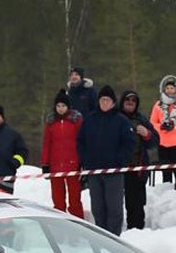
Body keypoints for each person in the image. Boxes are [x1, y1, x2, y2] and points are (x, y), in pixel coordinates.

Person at [77, 86, 136, 235]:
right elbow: (80, 141)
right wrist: (86, 160)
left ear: (113, 102)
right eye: (102, 100)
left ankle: (114, 238)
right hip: (94, 171)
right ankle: (101, 236)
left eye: (107, 100)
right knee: (97, 207)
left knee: (114, 208)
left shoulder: (121, 120)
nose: (104, 103)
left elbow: (129, 143)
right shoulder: (90, 119)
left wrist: (120, 161)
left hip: (114, 172)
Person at [119, 90, 160, 230]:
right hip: (117, 168)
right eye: (127, 100)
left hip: (137, 168)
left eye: (133, 101)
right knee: (114, 203)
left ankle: (137, 231)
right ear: (122, 102)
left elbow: (155, 140)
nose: (130, 103)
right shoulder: (115, 117)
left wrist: (147, 134)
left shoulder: (141, 119)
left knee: (136, 203)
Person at [41, 90, 85, 218]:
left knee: (75, 198)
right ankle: (60, 219)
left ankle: (77, 220)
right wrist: (45, 163)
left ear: (68, 107)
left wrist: (82, 162)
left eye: (63, 106)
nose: (60, 109)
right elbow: (47, 144)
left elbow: (81, 141)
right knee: (58, 199)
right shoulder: (51, 122)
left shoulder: (75, 120)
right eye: (58, 106)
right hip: (55, 165)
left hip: (73, 164)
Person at [150, 75, 176, 191]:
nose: (170, 90)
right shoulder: (158, 105)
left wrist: (173, 127)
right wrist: (161, 127)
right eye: (167, 88)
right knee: (166, 172)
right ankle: (167, 195)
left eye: (172, 88)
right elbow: (152, 122)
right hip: (162, 143)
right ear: (164, 90)